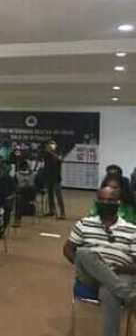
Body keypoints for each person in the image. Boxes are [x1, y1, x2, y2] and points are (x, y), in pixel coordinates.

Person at [63, 186, 136, 336]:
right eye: (101, 200)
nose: (105, 203)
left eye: (110, 200)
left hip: (120, 274)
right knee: (83, 253)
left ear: (118, 203)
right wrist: (87, 264)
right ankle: (129, 296)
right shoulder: (84, 223)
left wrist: (115, 270)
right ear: (96, 201)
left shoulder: (131, 230)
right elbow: (67, 249)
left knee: (109, 292)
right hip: (89, 275)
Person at [43, 140, 65, 219]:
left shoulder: (58, 153)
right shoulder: (47, 155)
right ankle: (51, 210)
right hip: (48, 176)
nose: (50, 147)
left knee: (58, 195)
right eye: (49, 145)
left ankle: (62, 212)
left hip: (56, 177)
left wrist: (52, 152)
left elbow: (60, 159)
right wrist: (47, 152)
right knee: (50, 195)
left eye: (52, 145)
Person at [13, 161, 36, 227]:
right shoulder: (16, 175)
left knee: (27, 188)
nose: (25, 168)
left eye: (26, 166)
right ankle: (17, 219)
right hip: (20, 192)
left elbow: (37, 186)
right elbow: (14, 187)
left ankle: (18, 219)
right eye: (23, 167)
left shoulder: (33, 174)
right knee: (18, 199)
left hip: (31, 193)